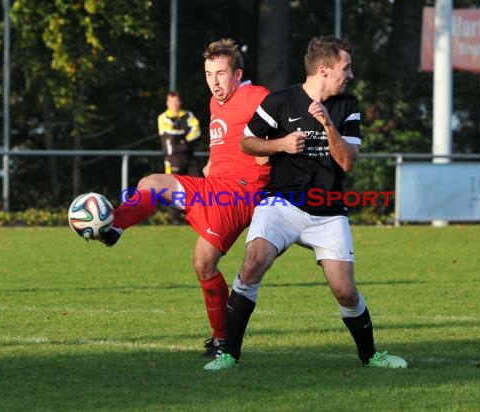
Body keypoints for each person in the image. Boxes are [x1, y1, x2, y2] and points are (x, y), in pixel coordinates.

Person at [204, 36, 407, 371]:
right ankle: (229, 354)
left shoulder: (346, 106)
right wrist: (281, 144)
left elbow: (347, 162)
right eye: (346, 67)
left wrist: (328, 124)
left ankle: (371, 356)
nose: (350, 75)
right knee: (253, 263)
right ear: (324, 70)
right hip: (281, 203)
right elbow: (247, 143)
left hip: (327, 212)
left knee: (345, 290)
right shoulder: (280, 101)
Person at [96, 39, 270, 357]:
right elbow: (227, 144)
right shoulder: (216, 103)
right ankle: (114, 227)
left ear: (238, 73)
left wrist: (274, 154)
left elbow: (287, 120)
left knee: (203, 263)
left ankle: (221, 341)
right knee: (151, 182)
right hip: (211, 187)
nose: (214, 82)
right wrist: (212, 164)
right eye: (208, 73)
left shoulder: (256, 96)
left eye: (221, 73)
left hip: (238, 195)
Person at [157, 91, 201, 224]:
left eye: (177, 101)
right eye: (172, 102)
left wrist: (183, 140)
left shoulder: (188, 115)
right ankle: (175, 219)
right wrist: (184, 134)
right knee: (174, 188)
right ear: (167, 103)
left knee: (197, 186)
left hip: (189, 156)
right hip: (172, 158)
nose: (175, 104)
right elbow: (169, 134)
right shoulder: (163, 117)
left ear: (180, 102)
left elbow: (196, 131)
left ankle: (196, 217)